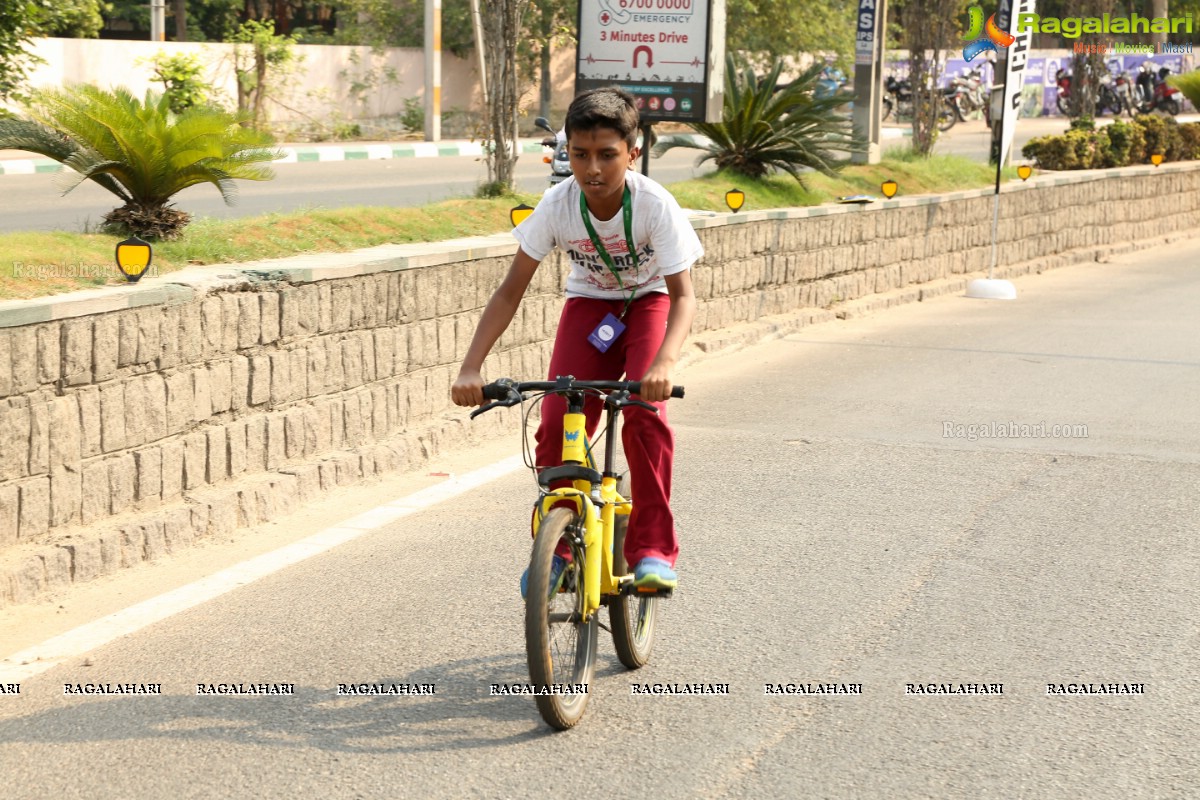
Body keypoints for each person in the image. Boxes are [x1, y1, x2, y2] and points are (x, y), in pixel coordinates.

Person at [450, 86, 703, 597]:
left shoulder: (654, 205)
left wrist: (664, 364)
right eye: (579, 155)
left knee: (644, 414)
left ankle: (652, 549)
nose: (592, 169)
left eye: (607, 155)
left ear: (633, 154)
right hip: (590, 308)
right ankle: (560, 549)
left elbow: (683, 298)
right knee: (555, 419)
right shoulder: (558, 205)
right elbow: (508, 292)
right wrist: (470, 367)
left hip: (650, 300)